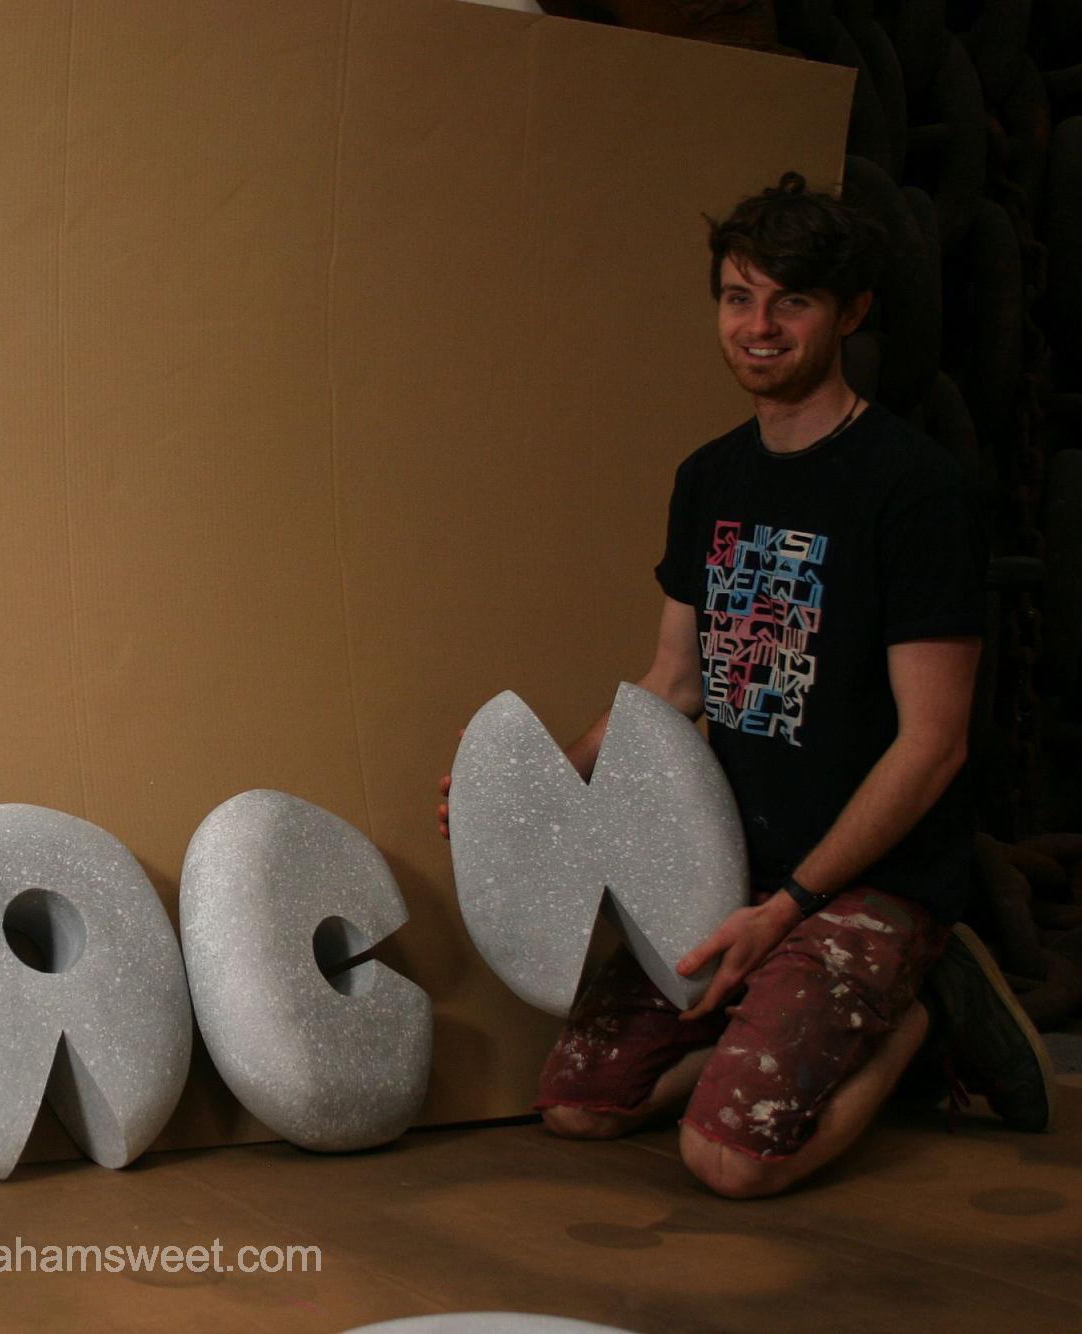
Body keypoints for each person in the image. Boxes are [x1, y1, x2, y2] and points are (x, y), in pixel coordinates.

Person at [437, 172, 1055, 1198]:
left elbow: (931, 743)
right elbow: (672, 683)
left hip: (863, 878)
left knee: (725, 1160)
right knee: (578, 1107)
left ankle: (916, 1014)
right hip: (716, 863)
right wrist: (538, 785)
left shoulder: (912, 489)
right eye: (736, 296)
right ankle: (777, 1010)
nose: (756, 326)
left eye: (790, 301)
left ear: (849, 312)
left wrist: (792, 905)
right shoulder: (709, 478)